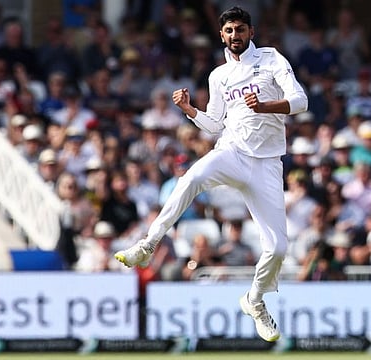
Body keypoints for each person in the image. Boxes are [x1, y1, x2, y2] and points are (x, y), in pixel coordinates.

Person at [114, 6, 308, 342]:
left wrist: (265, 106)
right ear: (222, 35)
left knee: (277, 249)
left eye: (241, 29)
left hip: (267, 163)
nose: (236, 36)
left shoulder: (271, 59)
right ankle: (147, 244)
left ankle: (255, 300)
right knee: (189, 178)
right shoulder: (218, 76)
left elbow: (300, 101)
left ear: (251, 31)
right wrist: (190, 111)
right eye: (230, 31)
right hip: (231, 152)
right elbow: (215, 124)